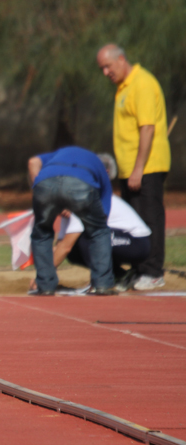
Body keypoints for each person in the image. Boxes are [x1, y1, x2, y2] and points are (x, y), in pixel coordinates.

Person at [97, 44, 170, 290]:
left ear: (121, 59)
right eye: (102, 68)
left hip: (147, 167)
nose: (105, 72)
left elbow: (147, 128)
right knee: (133, 223)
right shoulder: (123, 88)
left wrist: (139, 168)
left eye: (108, 66)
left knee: (150, 218)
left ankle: (153, 272)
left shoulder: (142, 83)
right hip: (129, 169)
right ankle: (138, 270)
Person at [28, 146, 114, 295]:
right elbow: (103, 216)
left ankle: (45, 286)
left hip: (45, 182)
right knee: (99, 232)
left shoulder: (60, 153)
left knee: (41, 233)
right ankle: (102, 285)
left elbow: (33, 162)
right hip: (80, 185)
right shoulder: (100, 169)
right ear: (107, 172)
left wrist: (42, 191)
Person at [32, 193, 151, 293]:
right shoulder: (67, 212)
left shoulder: (78, 204)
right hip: (123, 238)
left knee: (87, 238)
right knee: (74, 251)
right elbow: (59, 247)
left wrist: (43, 277)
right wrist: (42, 274)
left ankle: (101, 281)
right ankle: (120, 276)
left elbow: (65, 247)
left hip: (138, 243)